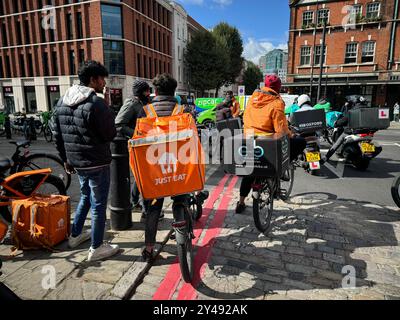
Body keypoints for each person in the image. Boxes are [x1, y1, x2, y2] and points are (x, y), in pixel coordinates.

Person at [53, 61, 120, 262]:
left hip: (76, 162)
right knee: (99, 204)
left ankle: (75, 236)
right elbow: (110, 134)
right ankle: (96, 247)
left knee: (84, 196)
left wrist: (66, 160)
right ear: (93, 79)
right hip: (97, 162)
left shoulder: (60, 102)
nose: (104, 83)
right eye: (102, 79)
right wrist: (107, 109)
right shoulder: (96, 103)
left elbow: (56, 134)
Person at [137, 74, 192, 262]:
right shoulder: (182, 110)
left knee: (153, 209)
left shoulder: (145, 111)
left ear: (156, 91)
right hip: (179, 168)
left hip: (155, 170)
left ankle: (149, 248)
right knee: (181, 200)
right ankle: (185, 230)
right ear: (174, 91)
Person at [235, 75, 306, 214]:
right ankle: (281, 168)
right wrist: (292, 135)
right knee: (300, 142)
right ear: (278, 88)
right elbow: (281, 130)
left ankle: (241, 202)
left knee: (249, 172)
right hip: (268, 142)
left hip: (249, 139)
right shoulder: (277, 102)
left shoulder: (252, 99)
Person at [115, 80, 151, 215]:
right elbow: (118, 124)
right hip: (135, 145)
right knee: (140, 175)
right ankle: (140, 204)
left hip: (144, 144)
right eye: (147, 91)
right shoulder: (131, 103)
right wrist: (136, 135)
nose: (149, 93)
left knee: (140, 175)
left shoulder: (143, 103)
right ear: (141, 92)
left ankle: (135, 201)